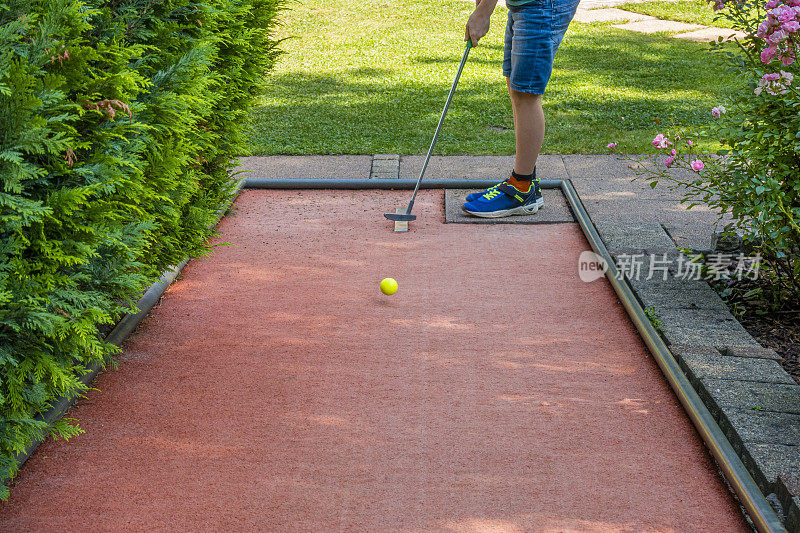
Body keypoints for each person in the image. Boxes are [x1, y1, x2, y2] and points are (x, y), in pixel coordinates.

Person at [461, 0, 580, 217]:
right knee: (516, 86)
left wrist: (484, 12)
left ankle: (521, 188)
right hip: (526, 5)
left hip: (542, 5)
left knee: (526, 93)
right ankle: (525, 183)